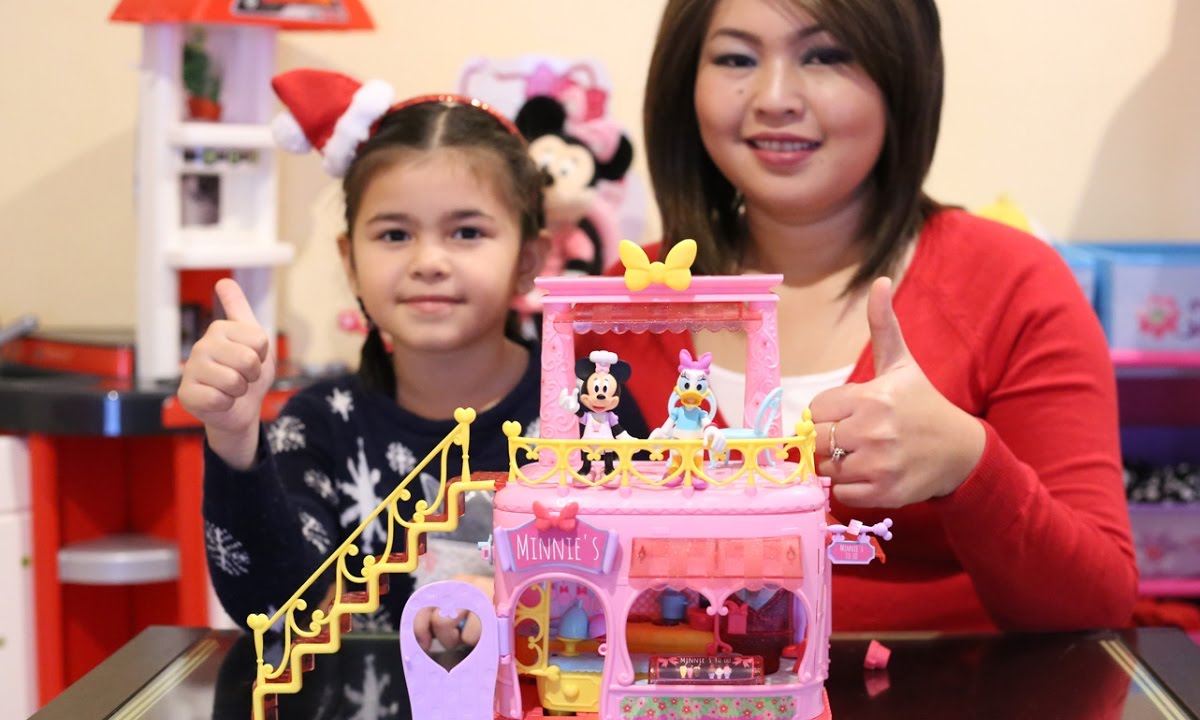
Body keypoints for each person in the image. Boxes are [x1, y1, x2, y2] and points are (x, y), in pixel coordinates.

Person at [596, 0, 1138, 633]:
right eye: (736, 59)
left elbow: (1097, 604)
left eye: (826, 56)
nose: (774, 98)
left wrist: (967, 465)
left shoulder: (1014, 284)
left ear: (901, 79)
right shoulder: (618, 304)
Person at [178, 69, 554, 652]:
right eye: (395, 235)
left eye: (467, 232)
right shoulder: (319, 425)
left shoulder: (586, 412)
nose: (429, 262)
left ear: (528, 259)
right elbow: (276, 610)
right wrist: (233, 436)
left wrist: (509, 604)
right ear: (350, 261)